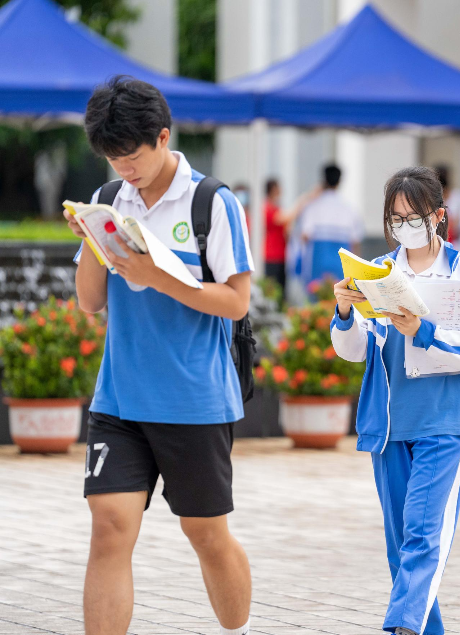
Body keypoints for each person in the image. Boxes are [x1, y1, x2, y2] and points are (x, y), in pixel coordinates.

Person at [65, 77, 253, 635]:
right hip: (120, 397)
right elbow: (89, 302)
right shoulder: (105, 201)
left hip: (193, 401)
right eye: (112, 157)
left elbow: (237, 302)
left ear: (163, 136)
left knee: (205, 533)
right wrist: (92, 243)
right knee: (109, 526)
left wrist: (155, 276)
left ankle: (237, 627)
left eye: (132, 155)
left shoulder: (210, 203)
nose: (124, 168)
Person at [330, 166, 460, 635]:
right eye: (395, 217)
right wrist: (345, 312)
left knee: (425, 535)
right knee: (401, 542)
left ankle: (400, 626)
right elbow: (355, 351)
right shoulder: (377, 273)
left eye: (413, 215)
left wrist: (423, 332)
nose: (404, 225)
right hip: (389, 424)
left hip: (444, 422)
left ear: (438, 216)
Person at [296, 163, 362, 285]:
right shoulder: (349, 208)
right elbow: (355, 242)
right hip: (342, 261)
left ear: (323, 179)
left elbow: (305, 235)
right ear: (340, 181)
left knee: (316, 297)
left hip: (318, 259)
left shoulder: (313, 206)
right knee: (340, 299)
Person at [262, 178, 288, 288]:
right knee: (273, 289)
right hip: (271, 256)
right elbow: (284, 219)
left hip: (281, 255)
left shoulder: (277, 208)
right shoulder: (267, 208)